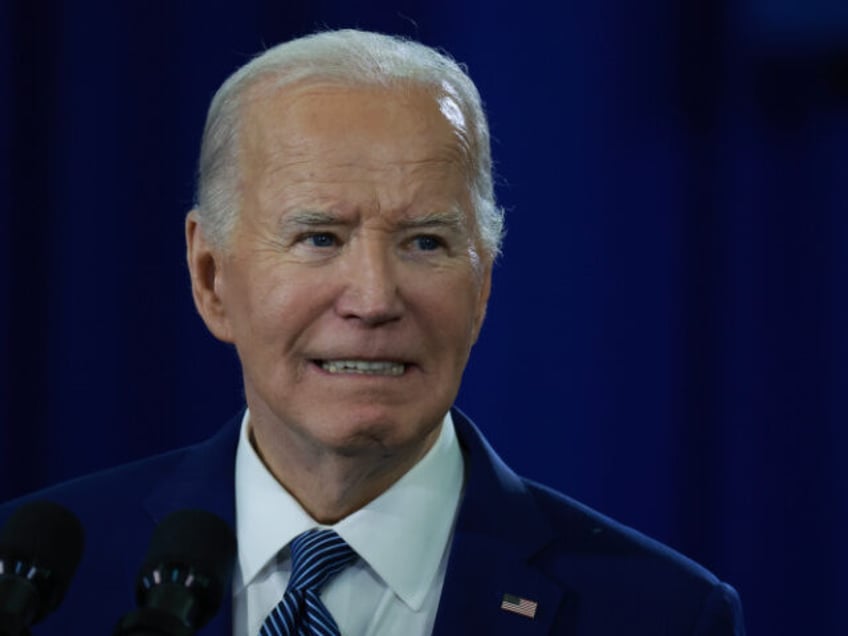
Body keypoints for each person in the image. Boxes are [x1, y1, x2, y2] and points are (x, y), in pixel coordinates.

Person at [0, 30, 745, 635]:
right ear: (210, 277)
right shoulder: (39, 586)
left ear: (482, 285)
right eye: (320, 237)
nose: (374, 299)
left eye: (425, 242)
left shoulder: (662, 614)